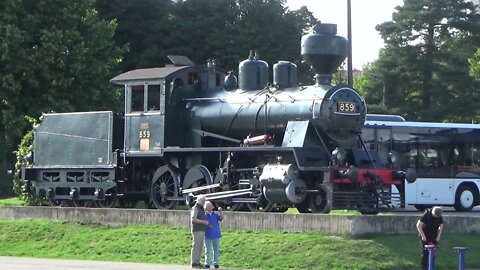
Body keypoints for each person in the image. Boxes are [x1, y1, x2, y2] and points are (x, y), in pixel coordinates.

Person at [416, 206, 444, 270]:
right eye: (435, 216)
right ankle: (424, 268)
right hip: (425, 235)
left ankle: (431, 268)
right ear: (433, 213)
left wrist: (438, 236)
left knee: (433, 254)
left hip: (434, 236)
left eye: (437, 217)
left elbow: (441, 225)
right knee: (425, 254)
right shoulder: (427, 214)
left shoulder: (439, 215)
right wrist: (423, 236)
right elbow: (418, 225)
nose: (436, 218)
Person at [190, 195, 209, 269]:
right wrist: (203, 222)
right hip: (197, 230)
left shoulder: (201, 208)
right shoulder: (195, 208)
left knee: (200, 247)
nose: (204, 203)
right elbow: (193, 219)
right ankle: (194, 262)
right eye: (203, 201)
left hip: (201, 230)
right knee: (196, 246)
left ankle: (197, 261)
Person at [204, 201, 224, 269]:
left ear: (212, 207)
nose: (209, 207)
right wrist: (207, 225)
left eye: (210, 206)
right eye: (207, 206)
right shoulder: (204, 215)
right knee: (207, 250)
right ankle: (207, 263)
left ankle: (216, 263)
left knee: (216, 250)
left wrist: (220, 211)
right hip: (207, 235)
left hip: (216, 234)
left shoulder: (215, 214)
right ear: (205, 207)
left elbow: (221, 218)